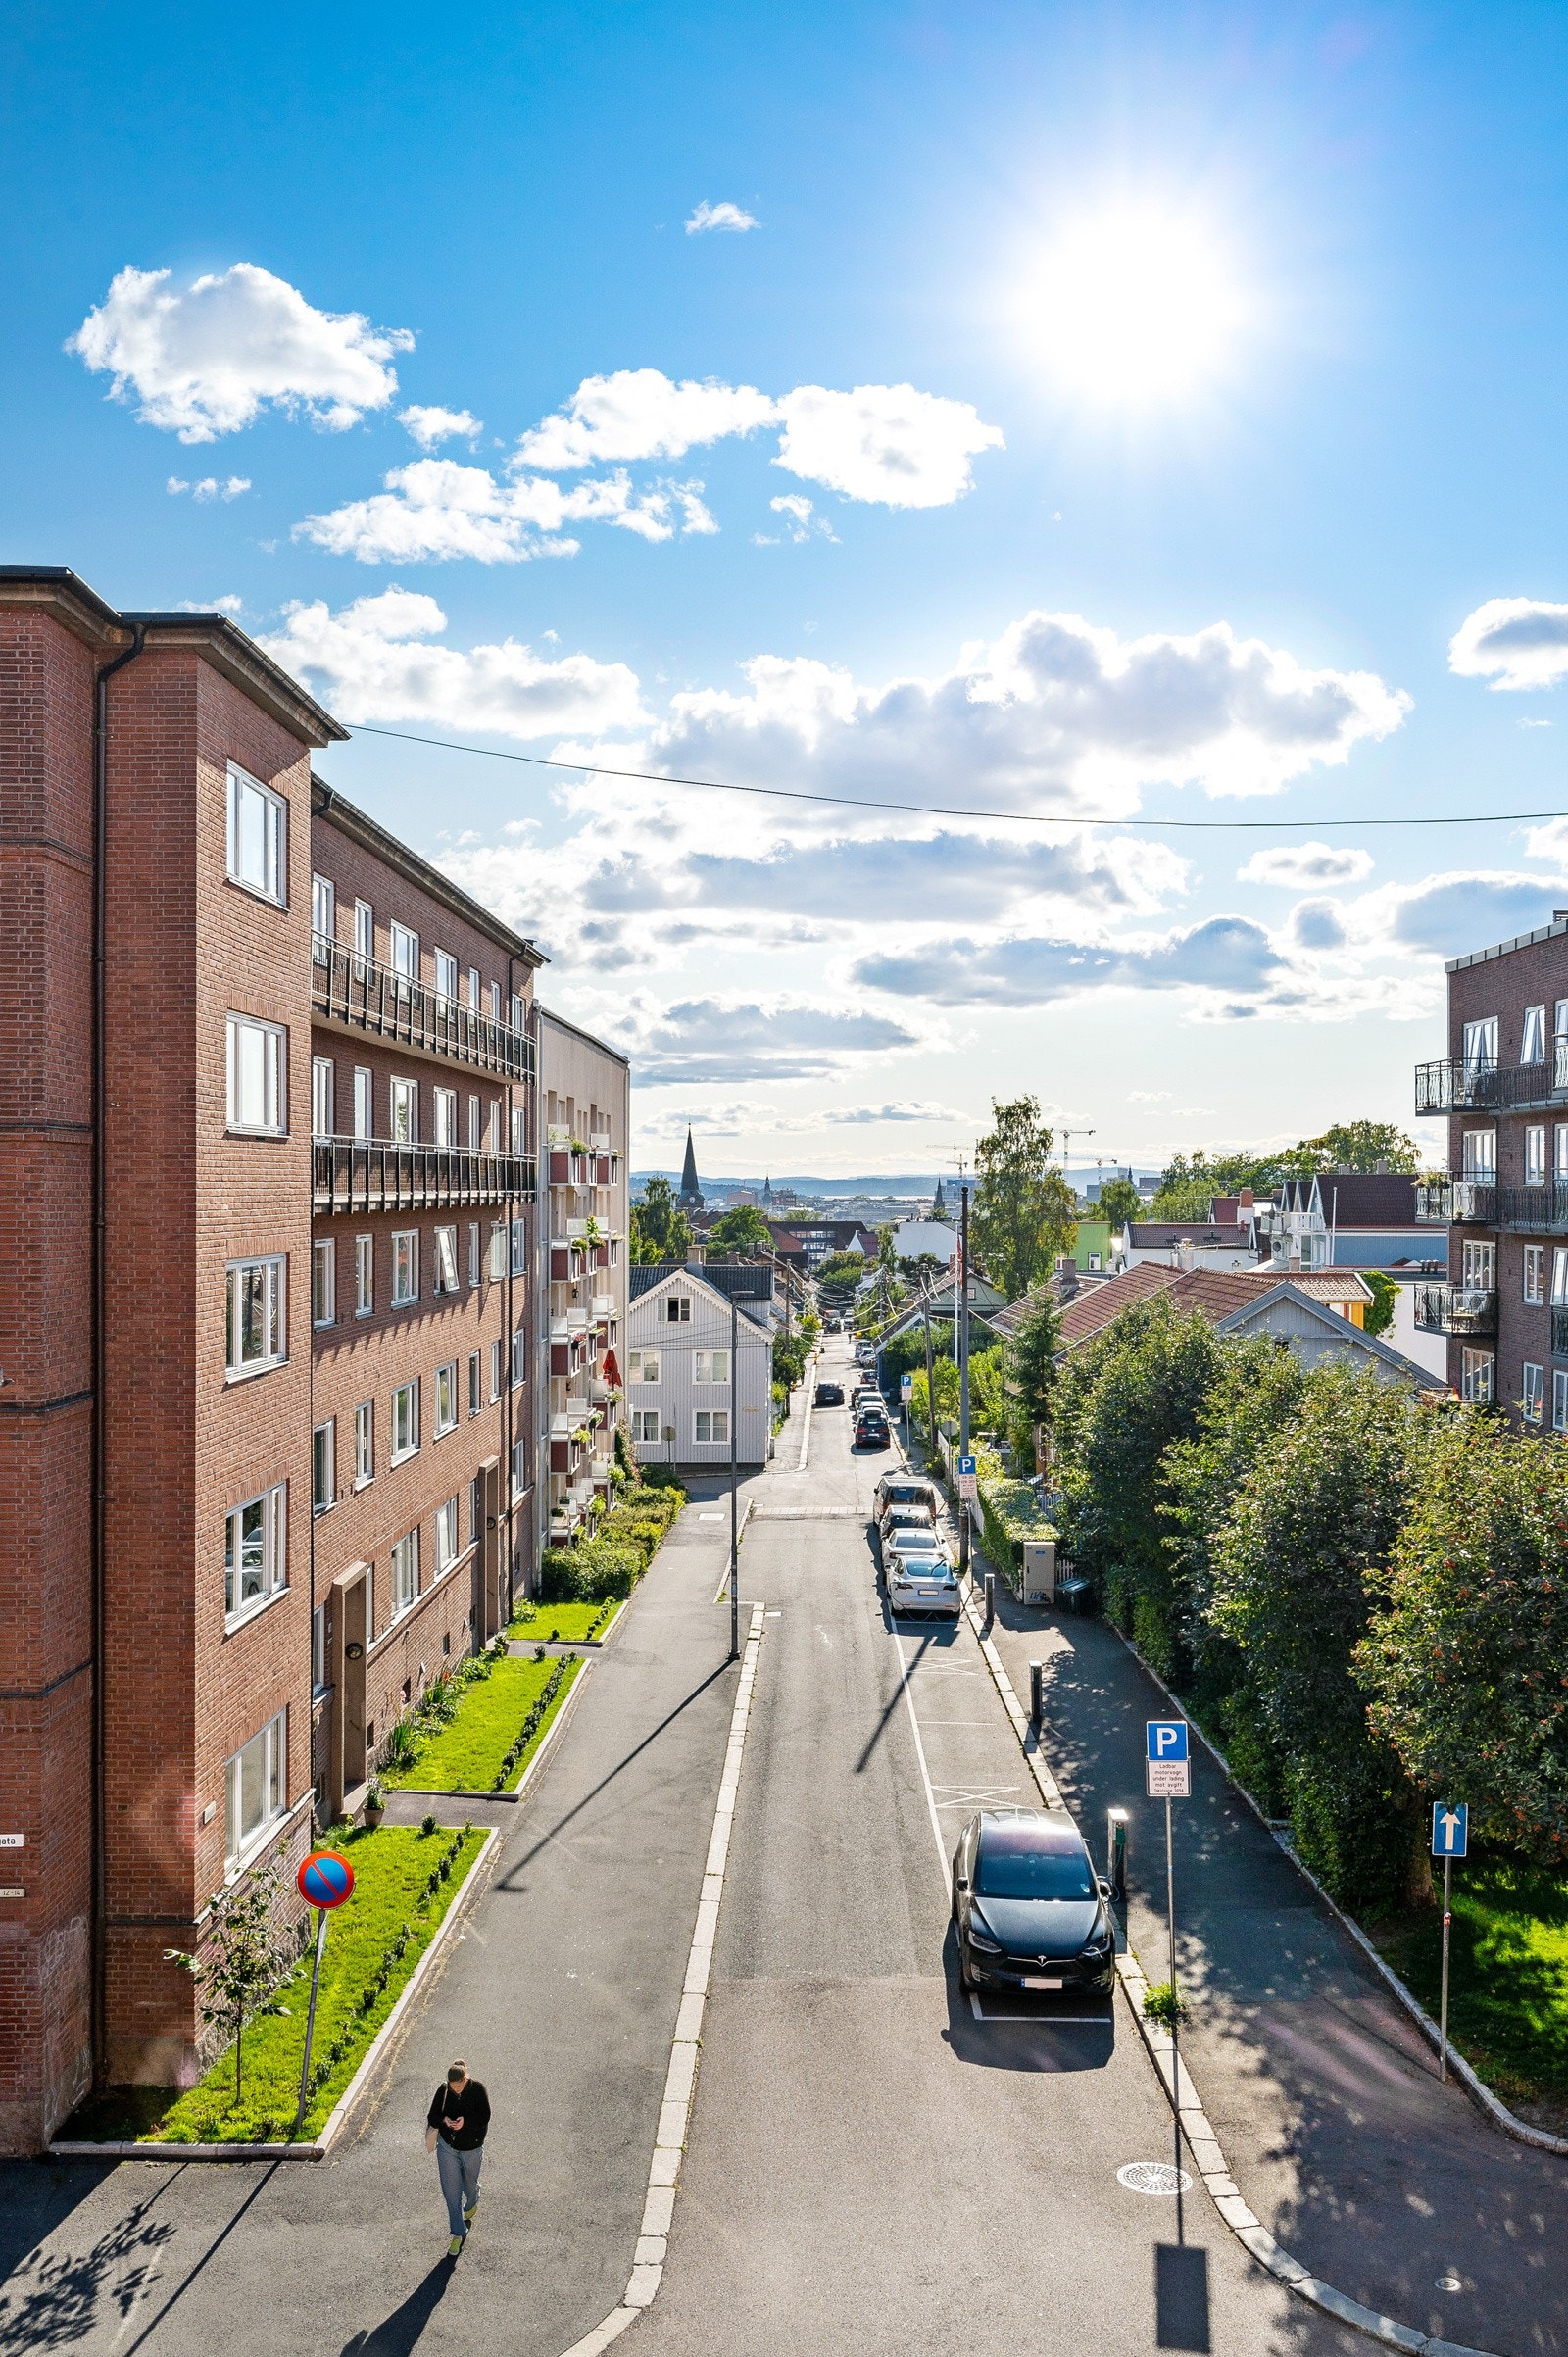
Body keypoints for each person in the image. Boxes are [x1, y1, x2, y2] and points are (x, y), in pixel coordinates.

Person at [426, 2059, 491, 2255]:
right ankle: (457, 2233)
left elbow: (485, 2116)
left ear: (466, 2078)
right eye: (453, 2086)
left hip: (472, 2148)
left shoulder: (478, 2089)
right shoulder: (444, 2090)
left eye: (459, 2085)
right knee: (451, 2191)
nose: (456, 2089)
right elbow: (432, 2116)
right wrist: (444, 2119)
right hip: (447, 2147)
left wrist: (465, 2122)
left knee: (469, 2183)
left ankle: (473, 2198)